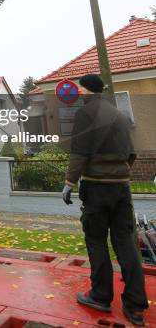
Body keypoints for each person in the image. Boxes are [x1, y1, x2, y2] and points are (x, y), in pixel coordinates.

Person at [62, 73, 148, 326]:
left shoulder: (84, 114)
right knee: (126, 243)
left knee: (96, 240)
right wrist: (121, 171)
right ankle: (135, 306)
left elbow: (79, 152)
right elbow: (132, 150)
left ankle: (100, 296)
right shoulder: (119, 115)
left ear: (87, 91)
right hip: (122, 188)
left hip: (97, 188)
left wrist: (69, 183)